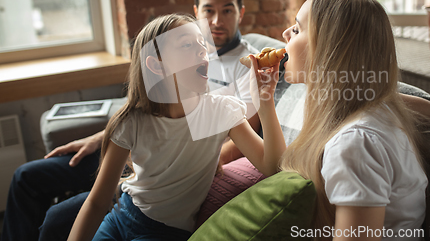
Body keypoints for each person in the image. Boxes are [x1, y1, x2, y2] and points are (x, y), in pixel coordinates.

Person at [0, 0, 260, 241]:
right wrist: (102, 137)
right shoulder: (184, 46)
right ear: (197, 12)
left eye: (227, 11)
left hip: (176, 161)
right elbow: (148, 107)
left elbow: (242, 137)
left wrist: (200, 161)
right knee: (26, 176)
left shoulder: (246, 63)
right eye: (209, 11)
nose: (217, 21)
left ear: (240, 12)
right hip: (141, 144)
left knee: (56, 219)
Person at [67, 13, 285, 240]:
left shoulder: (221, 111)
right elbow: (97, 201)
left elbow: (274, 168)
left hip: (165, 233)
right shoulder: (131, 121)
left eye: (202, 43)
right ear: (157, 65)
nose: (202, 50)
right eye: (187, 45)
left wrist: (265, 102)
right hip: (121, 215)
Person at [265, 0, 430, 240]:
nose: (284, 34)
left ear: (328, 48)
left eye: (297, 29)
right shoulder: (377, 109)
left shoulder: (354, 144)